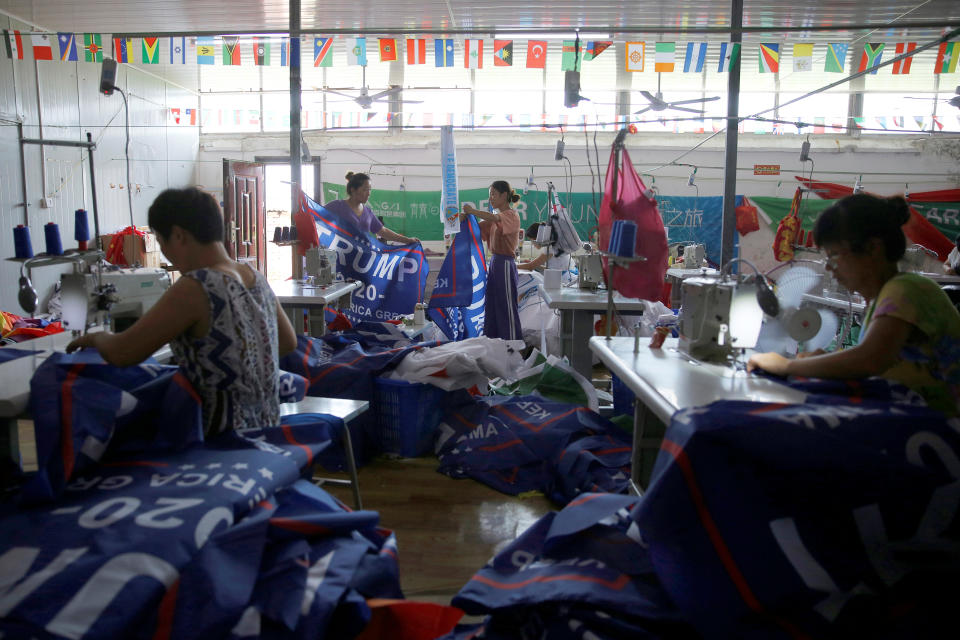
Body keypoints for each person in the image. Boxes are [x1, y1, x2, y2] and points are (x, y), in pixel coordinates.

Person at [67, 187, 298, 435]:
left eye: (160, 241)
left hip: (220, 443)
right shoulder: (254, 277)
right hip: (266, 430)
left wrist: (96, 337)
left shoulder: (197, 286)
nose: (164, 251)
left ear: (178, 235)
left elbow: (123, 353)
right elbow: (287, 342)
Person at [748, 193, 960, 416]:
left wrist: (785, 365)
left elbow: (868, 360)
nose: (829, 268)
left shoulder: (906, 289)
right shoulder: (882, 300)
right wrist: (824, 362)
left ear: (872, 248)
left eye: (834, 256)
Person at [462, 181, 523, 340]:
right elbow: (475, 228)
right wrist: (464, 218)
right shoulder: (493, 221)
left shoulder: (511, 215)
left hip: (505, 263)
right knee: (492, 304)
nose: (491, 198)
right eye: (489, 195)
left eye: (494, 194)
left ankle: (513, 343)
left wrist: (472, 211)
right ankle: (492, 340)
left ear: (504, 195)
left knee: (506, 305)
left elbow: (495, 217)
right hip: (494, 263)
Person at [324, 172, 419, 245]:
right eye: (365, 190)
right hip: (341, 258)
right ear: (353, 189)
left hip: (363, 260)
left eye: (370, 190)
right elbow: (315, 217)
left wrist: (408, 240)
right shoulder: (337, 206)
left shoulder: (367, 212)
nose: (369, 193)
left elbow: (383, 231)